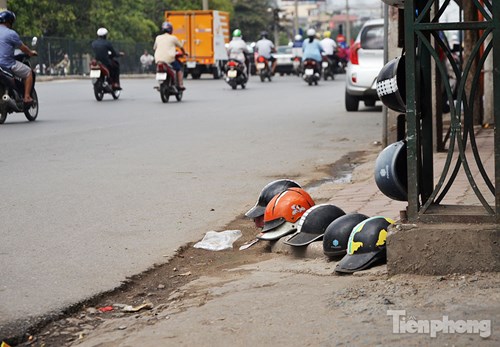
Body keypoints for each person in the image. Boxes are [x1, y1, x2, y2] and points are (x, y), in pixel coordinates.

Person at [0, 10, 37, 104]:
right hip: (7, 64)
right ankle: (27, 97)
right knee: (29, 72)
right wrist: (30, 52)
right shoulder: (11, 33)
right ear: (9, 21)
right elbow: (23, 48)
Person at [153, 21, 187, 90]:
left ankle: (160, 84)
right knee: (179, 68)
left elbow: (154, 48)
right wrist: (184, 53)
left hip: (158, 59)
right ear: (171, 30)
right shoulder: (173, 38)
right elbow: (181, 47)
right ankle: (180, 85)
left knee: (158, 70)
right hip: (169, 59)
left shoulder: (158, 37)